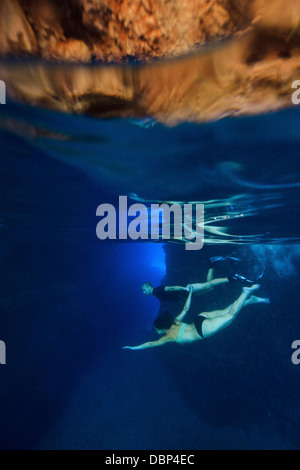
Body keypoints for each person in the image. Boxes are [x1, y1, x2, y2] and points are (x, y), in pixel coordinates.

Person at [123, 284, 269, 350]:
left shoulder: (167, 337)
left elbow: (150, 344)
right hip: (200, 317)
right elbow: (186, 308)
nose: (157, 332)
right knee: (227, 310)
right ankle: (252, 300)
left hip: (202, 330)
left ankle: (245, 292)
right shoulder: (175, 321)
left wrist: (134, 348)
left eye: (157, 329)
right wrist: (191, 293)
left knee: (231, 315)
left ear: (162, 328)